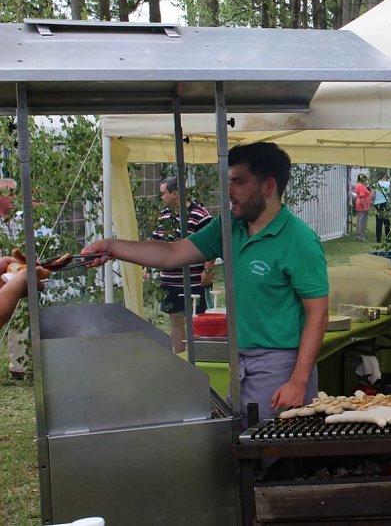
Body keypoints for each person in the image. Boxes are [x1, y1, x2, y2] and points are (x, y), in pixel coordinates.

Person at [83, 142, 329, 421]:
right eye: (228, 181)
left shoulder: (299, 240)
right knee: (239, 439)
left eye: (238, 182)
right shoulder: (230, 226)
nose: (228, 190)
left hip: (280, 365)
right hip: (240, 360)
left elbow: (317, 314)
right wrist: (113, 247)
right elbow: (172, 253)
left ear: (268, 186)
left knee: (265, 444)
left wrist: (298, 381)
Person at [152, 177, 216, 354]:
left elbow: (212, 244)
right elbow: (155, 241)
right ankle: (179, 357)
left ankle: (199, 357)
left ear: (175, 193)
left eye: (163, 193)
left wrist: (208, 270)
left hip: (194, 280)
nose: (161, 197)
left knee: (194, 319)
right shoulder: (163, 216)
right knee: (175, 320)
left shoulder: (199, 215)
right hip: (170, 281)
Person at [373, 173, 391, 242]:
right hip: (386, 203)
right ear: (385, 176)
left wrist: (373, 202)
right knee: (387, 221)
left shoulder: (375, 184)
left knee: (378, 222)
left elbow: (373, 195)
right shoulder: (388, 184)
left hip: (377, 204)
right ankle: (388, 237)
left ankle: (378, 239)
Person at [354, 174, 371, 242]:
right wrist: (365, 206)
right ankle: (361, 236)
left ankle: (358, 236)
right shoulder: (361, 186)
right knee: (362, 221)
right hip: (362, 205)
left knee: (359, 221)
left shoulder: (358, 185)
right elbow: (362, 197)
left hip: (359, 204)